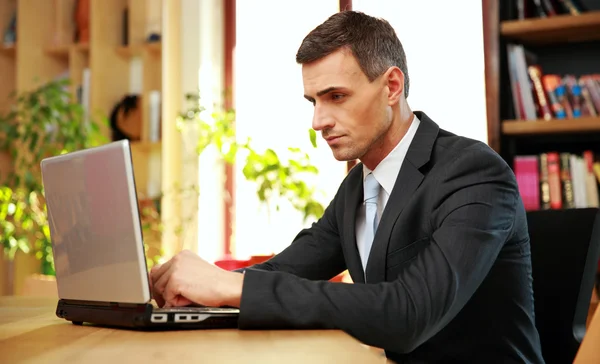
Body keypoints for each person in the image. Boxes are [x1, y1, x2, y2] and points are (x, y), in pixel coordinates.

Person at [150, 10, 545, 363]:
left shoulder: (473, 173)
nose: (318, 121)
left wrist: (227, 288)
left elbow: (409, 313)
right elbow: (289, 271)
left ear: (392, 87)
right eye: (313, 101)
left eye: (336, 97)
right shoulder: (359, 185)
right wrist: (200, 292)